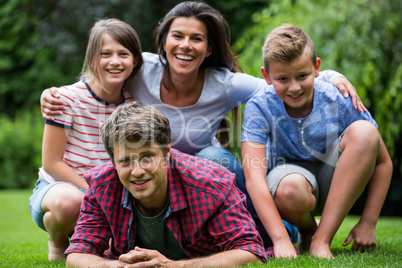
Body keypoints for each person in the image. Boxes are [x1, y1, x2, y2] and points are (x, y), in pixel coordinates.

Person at [39, 1, 365, 253]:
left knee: (215, 156)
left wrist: (330, 76)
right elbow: (102, 73)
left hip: (198, 179)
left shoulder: (224, 84)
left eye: (197, 39)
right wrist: (52, 93)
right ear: (163, 42)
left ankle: (271, 233)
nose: (186, 45)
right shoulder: (141, 69)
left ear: (208, 49)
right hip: (153, 176)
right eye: (177, 36)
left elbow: (282, 82)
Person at [241, 23, 393, 259]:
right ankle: (308, 230)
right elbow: (253, 176)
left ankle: (322, 240)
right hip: (291, 183)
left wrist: (368, 222)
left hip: (336, 178)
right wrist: (280, 239)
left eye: (302, 76)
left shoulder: (337, 95)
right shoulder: (259, 105)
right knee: (290, 189)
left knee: (365, 132)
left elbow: (383, 163)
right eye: (282, 79)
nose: (294, 87)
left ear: (316, 68)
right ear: (266, 76)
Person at [65, 101, 267, 267]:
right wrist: (117, 266)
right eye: (125, 161)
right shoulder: (102, 186)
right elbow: (77, 255)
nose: (137, 172)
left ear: (167, 152)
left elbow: (251, 253)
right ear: (113, 162)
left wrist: (172, 266)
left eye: (147, 157)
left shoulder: (210, 185)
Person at [29, 18, 143, 261]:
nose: (115, 61)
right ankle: (58, 242)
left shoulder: (132, 105)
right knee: (71, 202)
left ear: (134, 60)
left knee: (118, 252)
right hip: (60, 189)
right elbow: (52, 164)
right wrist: (96, 193)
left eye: (123, 53)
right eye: (105, 54)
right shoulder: (65, 99)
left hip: (108, 195)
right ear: (92, 59)